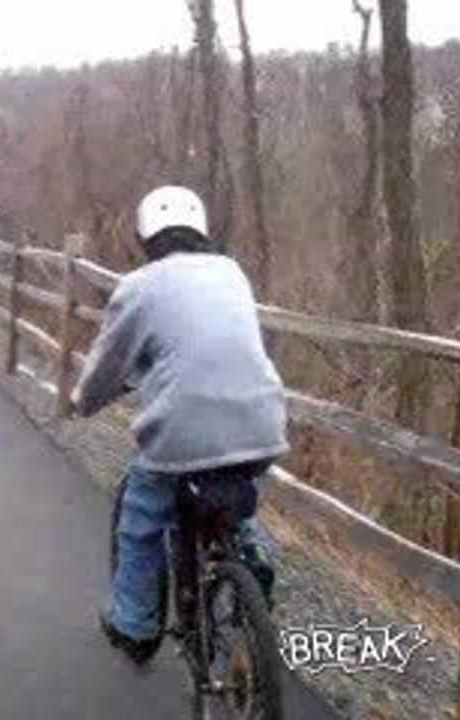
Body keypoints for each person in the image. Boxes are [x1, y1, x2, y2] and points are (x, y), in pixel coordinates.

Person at [70, 186, 288, 664]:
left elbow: (109, 364)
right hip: (262, 424)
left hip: (182, 435)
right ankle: (250, 555)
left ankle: (134, 625)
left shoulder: (139, 287)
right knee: (233, 488)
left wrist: (81, 402)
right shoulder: (232, 273)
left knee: (141, 517)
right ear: (201, 231)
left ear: (146, 238)